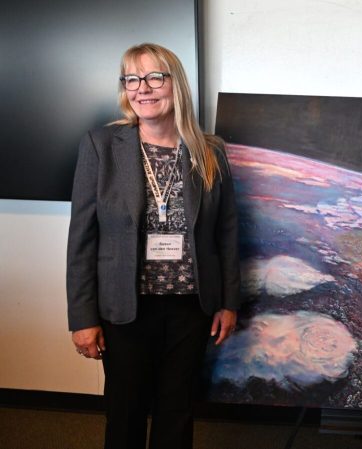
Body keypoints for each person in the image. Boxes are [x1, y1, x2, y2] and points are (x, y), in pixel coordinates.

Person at [66, 43, 241, 449]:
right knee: (125, 413)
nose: (142, 88)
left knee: (177, 412)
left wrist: (229, 302)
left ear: (175, 84)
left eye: (154, 77)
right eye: (132, 78)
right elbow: (82, 240)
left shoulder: (209, 151)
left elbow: (227, 232)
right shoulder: (102, 146)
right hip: (125, 309)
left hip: (191, 308)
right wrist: (81, 317)